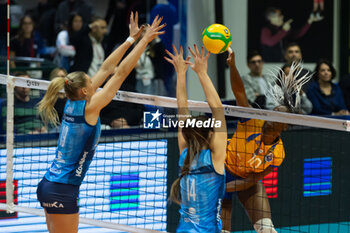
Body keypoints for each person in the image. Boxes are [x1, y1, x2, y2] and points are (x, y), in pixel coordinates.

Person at [36, 13, 165, 233]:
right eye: (90, 80)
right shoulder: (90, 106)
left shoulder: (72, 102)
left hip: (50, 185)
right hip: (61, 189)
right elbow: (120, 72)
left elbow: (106, 68)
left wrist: (130, 39)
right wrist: (145, 40)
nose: (93, 79)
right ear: (86, 90)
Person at [221, 50, 312, 233]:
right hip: (221, 171)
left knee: (267, 229)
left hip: (246, 181)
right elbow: (239, 92)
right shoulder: (252, 121)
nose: (272, 116)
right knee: (222, 231)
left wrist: (224, 187)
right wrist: (232, 67)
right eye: (273, 111)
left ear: (285, 127)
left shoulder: (278, 153)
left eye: (279, 115)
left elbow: (251, 180)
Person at [165, 44, 227, 233]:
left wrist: (181, 73)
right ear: (209, 134)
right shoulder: (214, 159)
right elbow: (218, 109)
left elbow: (182, 109)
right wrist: (201, 73)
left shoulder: (185, 155)